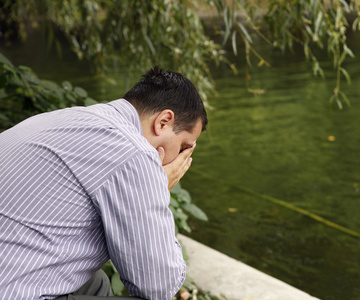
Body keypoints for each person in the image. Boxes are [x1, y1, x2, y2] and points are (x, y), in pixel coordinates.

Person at [0, 66, 208, 300]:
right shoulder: (133, 152)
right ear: (163, 122)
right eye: (182, 148)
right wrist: (158, 190)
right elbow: (158, 286)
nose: (180, 160)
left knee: (94, 282)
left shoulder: (68, 118)